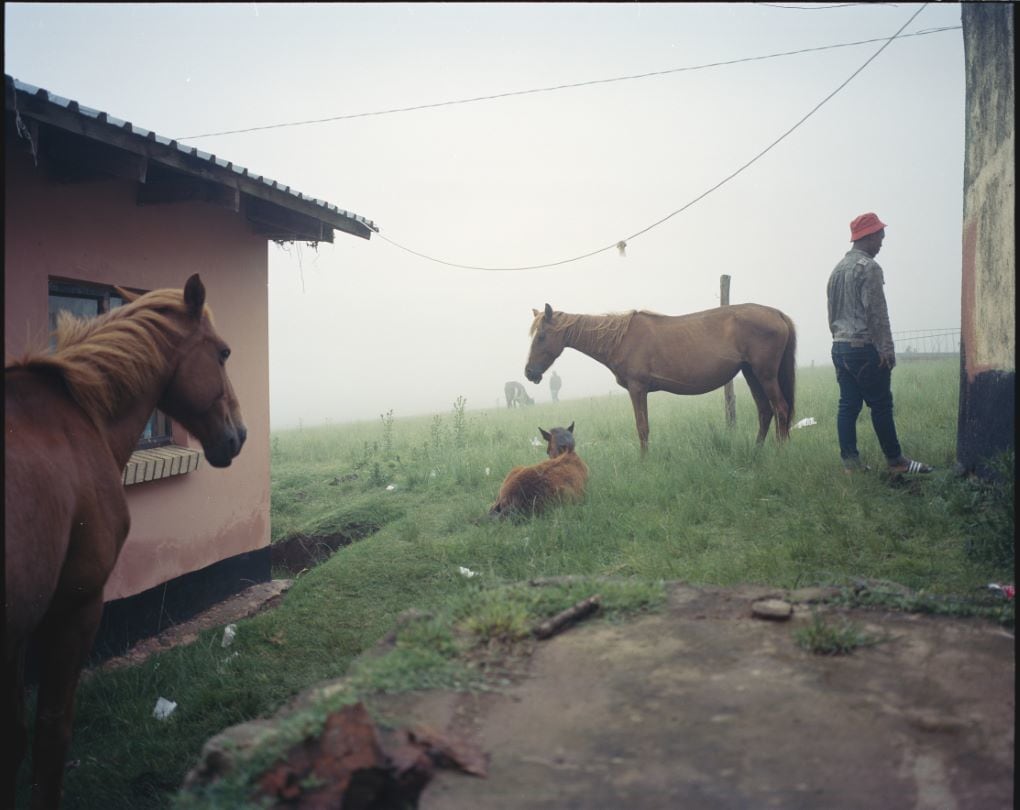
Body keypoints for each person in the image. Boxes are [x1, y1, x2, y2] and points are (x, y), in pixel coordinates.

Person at [826, 213, 934, 475]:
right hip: (864, 348)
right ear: (868, 236)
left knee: (848, 405)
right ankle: (897, 462)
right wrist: (886, 350)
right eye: (880, 237)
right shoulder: (869, 267)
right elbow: (876, 313)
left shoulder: (837, 269)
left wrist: (839, 338)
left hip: (839, 347)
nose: (882, 242)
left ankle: (851, 465)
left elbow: (832, 311)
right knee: (882, 404)